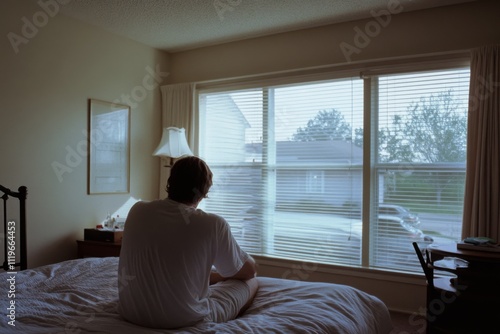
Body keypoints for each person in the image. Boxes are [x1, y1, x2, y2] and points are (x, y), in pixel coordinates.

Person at [117, 156, 258, 329]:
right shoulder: (213, 223)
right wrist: (228, 271)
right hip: (185, 319)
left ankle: (214, 278)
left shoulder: (137, 210)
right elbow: (249, 271)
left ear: (171, 182)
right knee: (252, 281)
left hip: (131, 313)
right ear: (204, 191)